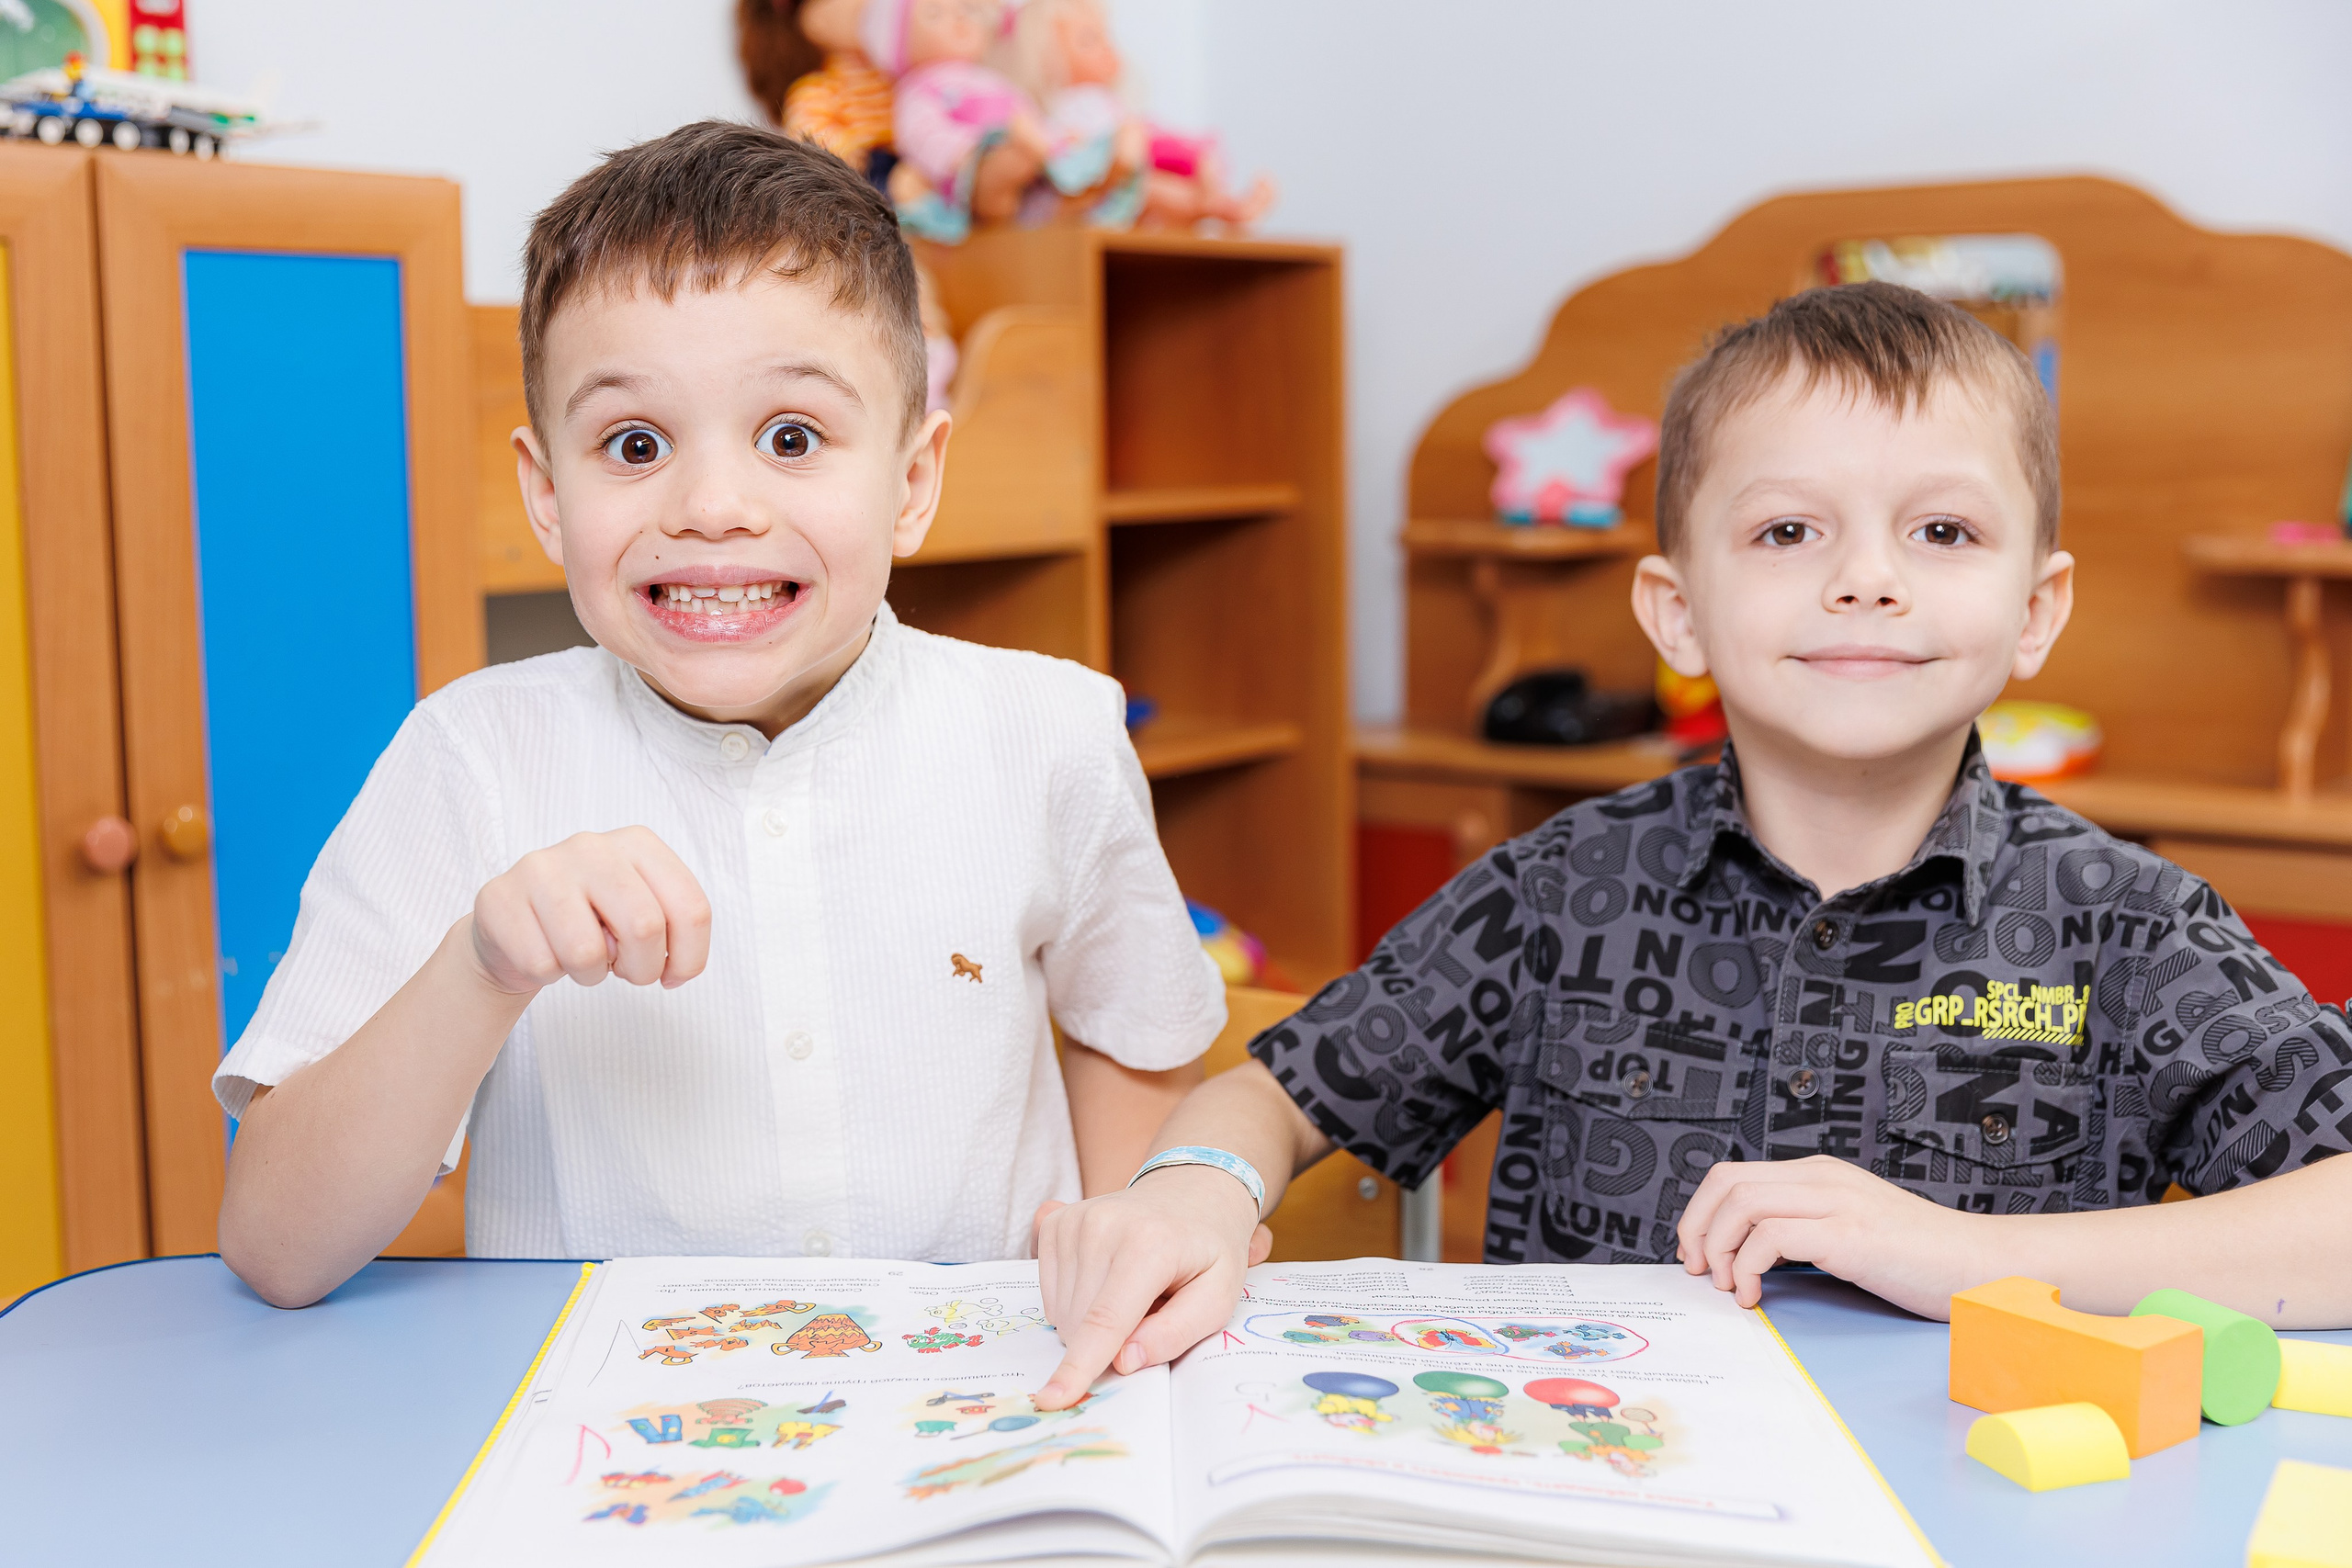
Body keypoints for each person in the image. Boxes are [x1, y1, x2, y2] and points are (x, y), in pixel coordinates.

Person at [1032, 280, 2352, 1410]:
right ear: (1675, 613)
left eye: (1942, 531)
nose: (1867, 577)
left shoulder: (2132, 925)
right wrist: (1197, 1189)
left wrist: (1958, 1256)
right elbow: (1280, 1091)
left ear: (2034, 611)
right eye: (1789, 531)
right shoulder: (1558, 891)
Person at [215, 121, 1224, 1309]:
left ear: (910, 482)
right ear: (549, 496)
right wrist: (476, 970)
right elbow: (276, 1248)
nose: (712, 505)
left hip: (977, 1422)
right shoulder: (470, 757)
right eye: (634, 443)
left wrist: (1124, 1253)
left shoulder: (1048, 729)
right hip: (610, 1457)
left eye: (791, 437)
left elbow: (1135, 1036)